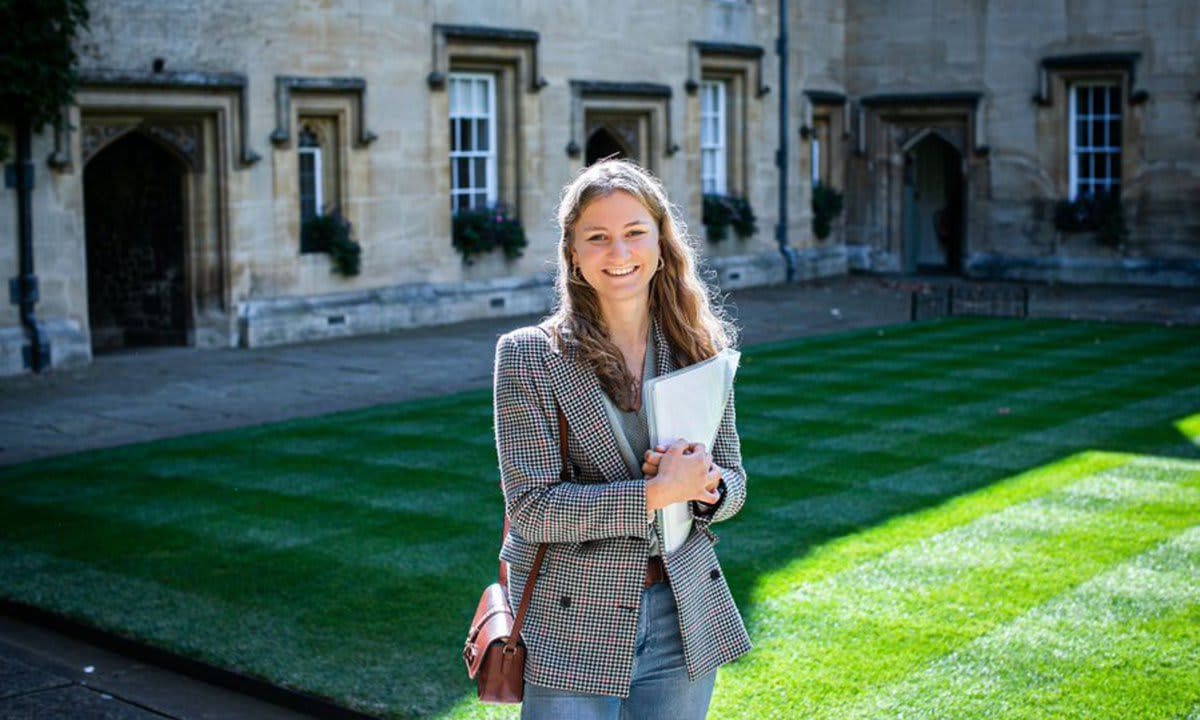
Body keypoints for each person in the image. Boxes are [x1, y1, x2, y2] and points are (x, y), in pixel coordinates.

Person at [492, 159, 751, 719]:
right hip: (572, 619)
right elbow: (533, 510)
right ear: (574, 255)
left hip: (681, 613)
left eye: (635, 233)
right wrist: (656, 493)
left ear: (661, 245)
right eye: (598, 238)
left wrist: (705, 486)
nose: (620, 253)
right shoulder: (529, 356)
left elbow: (734, 480)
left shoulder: (697, 348)